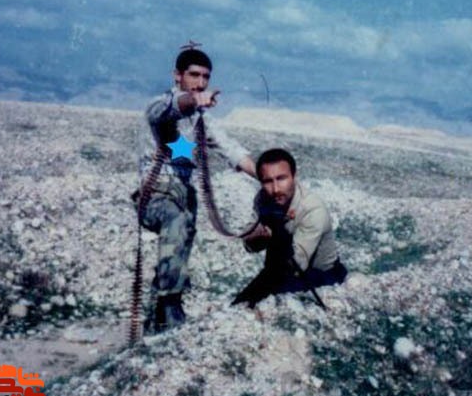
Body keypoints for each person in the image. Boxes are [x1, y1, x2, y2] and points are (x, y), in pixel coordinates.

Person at [136, 43, 256, 332]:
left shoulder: (202, 120)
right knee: (176, 221)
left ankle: (160, 313)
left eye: (205, 77)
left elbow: (231, 150)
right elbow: (170, 109)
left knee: (182, 239)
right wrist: (194, 100)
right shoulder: (159, 105)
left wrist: (267, 176)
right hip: (156, 195)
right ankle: (169, 308)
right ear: (177, 75)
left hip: (183, 195)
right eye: (194, 75)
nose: (201, 82)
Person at [232, 148, 347, 308]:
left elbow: (297, 265)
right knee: (238, 306)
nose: (275, 189)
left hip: (321, 277)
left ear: (294, 176)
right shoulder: (263, 198)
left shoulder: (313, 209)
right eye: (267, 181)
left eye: (281, 178)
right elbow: (250, 245)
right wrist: (258, 237)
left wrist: (275, 234)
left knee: (261, 310)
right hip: (278, 269)